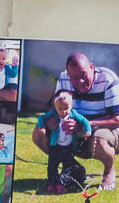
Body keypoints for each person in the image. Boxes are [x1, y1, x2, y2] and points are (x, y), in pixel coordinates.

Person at [32, 53, 119, 191]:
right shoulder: (63, 78)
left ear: (91, 67)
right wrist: (49, 123)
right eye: (74, 78)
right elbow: (56, 106)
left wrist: (85, 126)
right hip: (71, 133)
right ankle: (74, 169)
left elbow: (117, 119)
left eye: (83, 75)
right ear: (68, 75)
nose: (80, 82)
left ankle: (109, 172)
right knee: (38, 133)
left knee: (100, 141)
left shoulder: (108, 79)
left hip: (102, 129)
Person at [40, 90, 92, 193]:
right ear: (55, 107)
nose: (64, 112)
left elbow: (84, 120)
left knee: (67, 167)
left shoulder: (73, 114)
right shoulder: (54, 114)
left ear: (71, 106)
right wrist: (42, 127)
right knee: (52, 165)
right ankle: (52, 182)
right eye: (60, 109)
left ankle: (62, 184)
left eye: (66, 108)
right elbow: (42, 117)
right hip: (56, 146)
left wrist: (88, 130)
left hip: (69, 147)